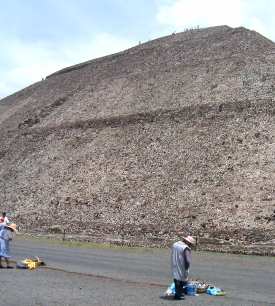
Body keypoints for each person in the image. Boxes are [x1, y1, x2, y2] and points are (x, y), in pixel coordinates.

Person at [171, 235, 195, 300]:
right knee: (181, 279)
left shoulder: (175, 244)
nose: (190, 246)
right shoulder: (185, 248)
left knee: (176, 279)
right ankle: (179, 295)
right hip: (181, 265)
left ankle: (177, 294)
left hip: (174, 263)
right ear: (188, 242)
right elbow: (187, 260)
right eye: (190, 244)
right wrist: (187, 268)